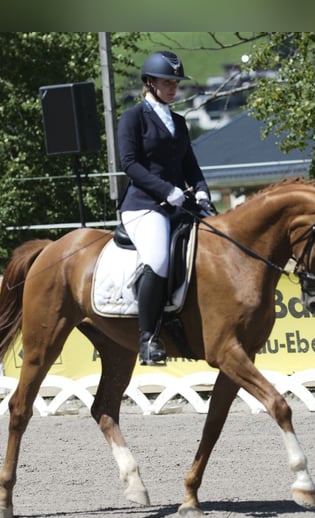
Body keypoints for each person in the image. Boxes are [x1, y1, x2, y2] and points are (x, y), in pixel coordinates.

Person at [117, 50, 212, 366]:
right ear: (149, 82)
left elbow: (191, 166)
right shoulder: (133, 118)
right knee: (158, 259)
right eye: (167, 82)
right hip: (144, 206)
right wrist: (167, 190)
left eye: (176, 82)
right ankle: (148, 339)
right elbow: (129, 164)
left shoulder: (180, 123)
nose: (174, 87)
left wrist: (201, 194)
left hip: (178, 205)